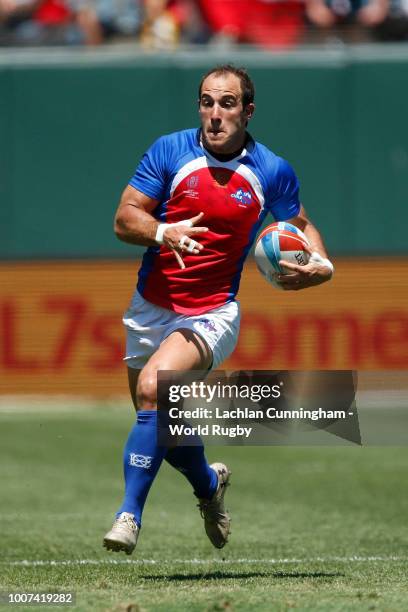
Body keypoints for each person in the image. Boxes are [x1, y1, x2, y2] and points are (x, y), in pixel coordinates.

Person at [102, 64, 334, 555]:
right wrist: (165, 231)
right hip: (150, 307)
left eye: (227, 104)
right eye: (207, 102)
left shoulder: (271, 169)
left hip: (213, 312)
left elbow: (301, 226)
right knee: (166, 425)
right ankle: (209, 485)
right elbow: (125, 218)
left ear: (248, 111)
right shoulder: (170, 150)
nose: (214, 115)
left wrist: (323, 265)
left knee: (152, 391)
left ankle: (128, 517)